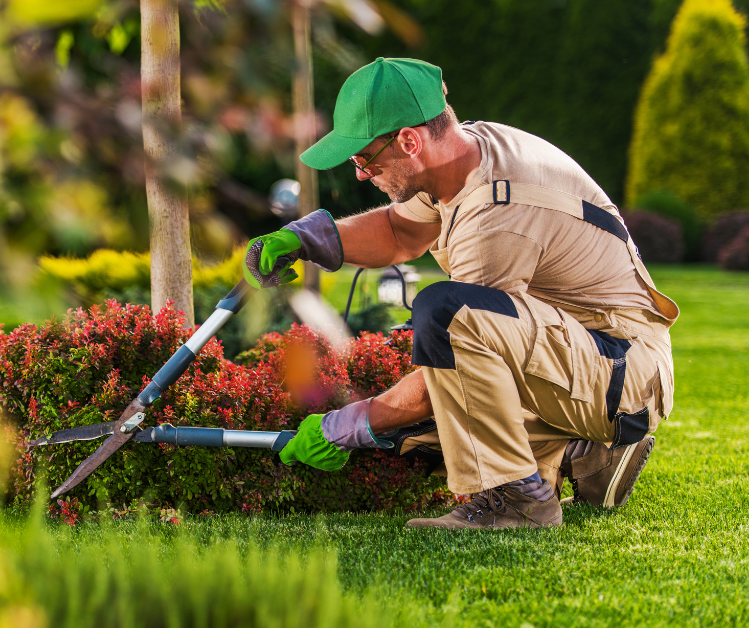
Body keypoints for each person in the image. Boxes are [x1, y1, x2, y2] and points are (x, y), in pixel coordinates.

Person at [244, 58, 678, 529]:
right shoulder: (462, 155)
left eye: (363, 159)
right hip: (585, 352)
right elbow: (399, 232)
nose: (361, 175)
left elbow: (453, 356)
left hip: (622, 372)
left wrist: (345, 426)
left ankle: (519, 500)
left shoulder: (498, 211)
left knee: (443, 320)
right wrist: (308, 239)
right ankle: (585, 453)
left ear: (409, 140)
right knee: (423, 435)